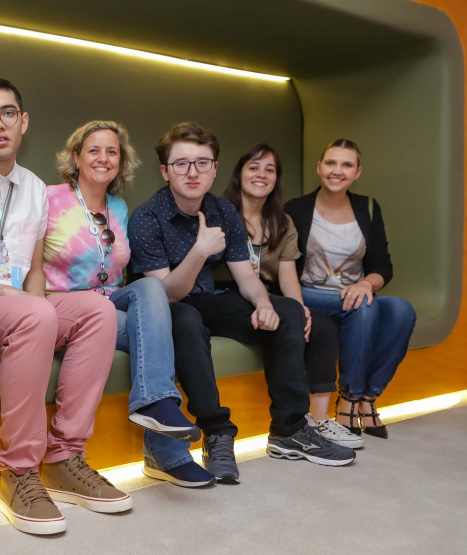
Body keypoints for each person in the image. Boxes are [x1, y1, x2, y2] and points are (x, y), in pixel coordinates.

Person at [0, 78, 130, 536]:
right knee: (34, 312)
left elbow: (34, 271)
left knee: (98, 311)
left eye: (8, 113)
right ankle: (18, 472)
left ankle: (64, 457)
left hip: (20, 314)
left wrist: (29, 302)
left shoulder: (33, 187)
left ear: (23, 122)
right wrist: (11, 299)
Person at [128, 122, 356, 474]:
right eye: (181, 163)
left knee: (288, 310)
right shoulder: (146, 217)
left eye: (202, 163)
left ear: (214, 169)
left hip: (211, 299)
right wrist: (200, 251)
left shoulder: (223, 211)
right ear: (165, 170)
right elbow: (165, 294)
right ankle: (217, 432)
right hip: (164, 309)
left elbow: (246, 275)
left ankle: (289, 430)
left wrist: (264, 303)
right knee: (186, 318)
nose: (193, 172)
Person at [42, 120, 215, 488]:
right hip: (61, 306)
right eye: (94, 150)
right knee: (159, 329)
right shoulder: (48, 199)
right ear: (76, 157)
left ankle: (156, 405)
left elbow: (117, 274)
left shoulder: (118, 207)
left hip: (109, 304)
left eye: (112, 152)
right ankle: (167, 453)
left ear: (121, 161)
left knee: (152, 289)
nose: (103, 158)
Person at [217, 144, 363, 449]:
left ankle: (319, 421)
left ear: (276, 179)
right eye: (254, 167)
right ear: (239, 174)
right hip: (226, 295)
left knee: (322, 326)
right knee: (287, 316)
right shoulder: (220, 213)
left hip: (270, 296)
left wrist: (302, 310)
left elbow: (287, 277)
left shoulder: (282, 223)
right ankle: (289, 427)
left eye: (269, 169)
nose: (261, 174)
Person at [285, 139, 417, 439]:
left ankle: (368, 396)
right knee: (363, 305)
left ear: (357, 172)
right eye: (331, 163)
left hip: (356, 292)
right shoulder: (296, 208)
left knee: (402, 310)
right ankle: (349, 397)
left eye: (347, 165)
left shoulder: (368, 207)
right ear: (319, 167)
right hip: (308, 292)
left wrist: (366, 283)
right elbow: (283, 264)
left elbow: (382, 265)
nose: (337, 170)